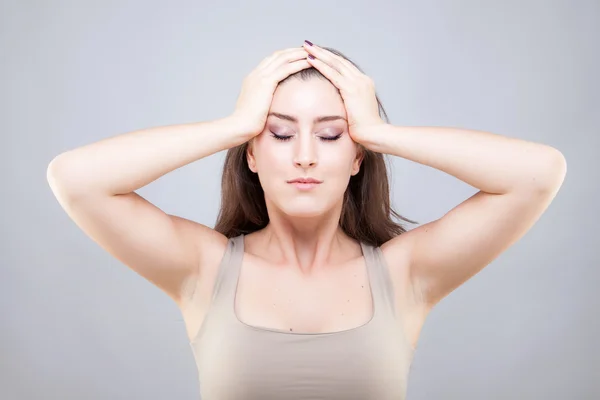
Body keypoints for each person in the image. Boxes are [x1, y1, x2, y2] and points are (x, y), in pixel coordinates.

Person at [46, 40, 567, 399]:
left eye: (331, 134)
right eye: (278, 134)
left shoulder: (403, 274)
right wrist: (234, 124)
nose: (304, 156)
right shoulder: (204, 268)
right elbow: (75, 178)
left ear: (357, 155)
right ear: (251, 153)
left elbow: (539, 173)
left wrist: (379, 132)